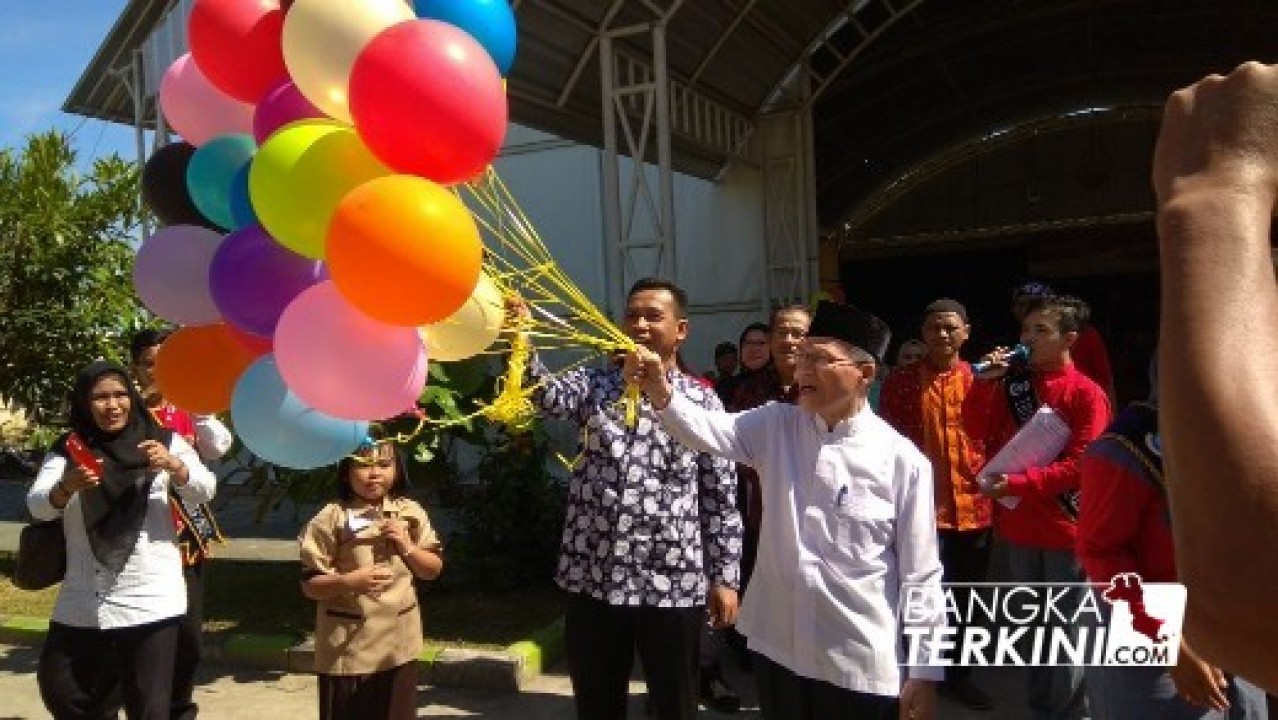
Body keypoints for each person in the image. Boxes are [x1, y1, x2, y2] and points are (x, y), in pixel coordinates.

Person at [626, 299, 943, 720]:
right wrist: (659, 389)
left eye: (820, 359)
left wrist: (924, 670)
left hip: (857, 659)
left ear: (865, 373)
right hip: (778, 648)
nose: (803, 369)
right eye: (803, 357)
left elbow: (922, 575)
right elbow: (705, 430)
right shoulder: (776, 425)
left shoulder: (902, 462)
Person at [523, 277, 743, 720]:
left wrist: (725, 576)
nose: (639, 324)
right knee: (597, 701)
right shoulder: (592, 385)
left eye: (652, 316)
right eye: (632, 315)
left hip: (672, 578)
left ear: (681, 330)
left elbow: (719, 495)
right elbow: (542, 397)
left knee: (675, 701)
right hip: (593, 575)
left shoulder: (703, 401)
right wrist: (521, 340)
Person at [1151, 60, 1278, 694]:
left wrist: (1214, 195)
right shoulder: (1123, 446)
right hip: (1153, 618)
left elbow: (1246, 585)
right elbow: (1104, 551)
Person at [1077, 355, 1269, 719]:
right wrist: (1170, 642)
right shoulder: (1123, 450)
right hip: (1151, 632)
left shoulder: (1242, 441)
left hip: (1232, 628)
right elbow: (1101, 553)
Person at [27, 360, 217, 719]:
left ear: (132, 397)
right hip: (84, 598)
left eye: (120, 395)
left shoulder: (162, 441)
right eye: (100, 397)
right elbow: (38, 507)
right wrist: (65, 488)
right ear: (84, 403)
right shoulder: (69, 449)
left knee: (148, 708)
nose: (112, 405)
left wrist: (176, 466)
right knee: (60, 688)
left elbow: (205, 489)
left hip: (150, 597)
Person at [963, 294, 1112, 720]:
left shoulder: (1086, 394)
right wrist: (983, 383)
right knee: (1031, 630)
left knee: (1067, 632)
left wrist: (1019, 483)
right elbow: (975, 429)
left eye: (1040, 331)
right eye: (1025, 330)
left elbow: (1083, 465)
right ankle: (1041, 710)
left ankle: (1071, 714)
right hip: (1017, 527)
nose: (1027, 339)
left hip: (1065, 529)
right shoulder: (1012, 384)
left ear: (1070, 338)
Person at [879, 298, 993, 711]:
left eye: (950, 327)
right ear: (923, 334)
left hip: (975, 507)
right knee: (921, 598)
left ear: (966, 332)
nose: (942, 335)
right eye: (933, 328)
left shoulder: (983, 379)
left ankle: (959, 675)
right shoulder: (902, 382)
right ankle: (918, 673)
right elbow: (888, 441)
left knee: (966, 600)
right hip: (920, 511)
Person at [129, 328, 234, 720]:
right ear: (135, 368)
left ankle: (179, 707)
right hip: (139, 535)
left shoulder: (188, 406)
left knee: (188, 634)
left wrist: (200, 407)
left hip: (185, 535)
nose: (158, 372)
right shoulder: (124, 410)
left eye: (166, 364)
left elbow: (219, 447)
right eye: (149, 364)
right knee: (146, 631)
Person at [298, 439, 443, 720]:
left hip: (398, 646)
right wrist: (349, 582)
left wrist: (407, 546)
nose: (374, 473)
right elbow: (309, 585)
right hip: (350, 649)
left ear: (398, 469)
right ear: (346, 472)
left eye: (384, 464)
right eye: (363, 465)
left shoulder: (409, 513)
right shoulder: (331, 519)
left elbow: (432, 569)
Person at [1011, 281, 1116, 404]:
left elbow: (1105, 377)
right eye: (1020, 304)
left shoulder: (1088, 335)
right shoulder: (1014, 387)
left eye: (1042, 330)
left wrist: (1112, 418)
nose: (1025, 309)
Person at [715, 322, 770, 407]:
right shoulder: (726, 388)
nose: (754, 349)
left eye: (761, 343)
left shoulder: (781, 386)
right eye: (748, 343)